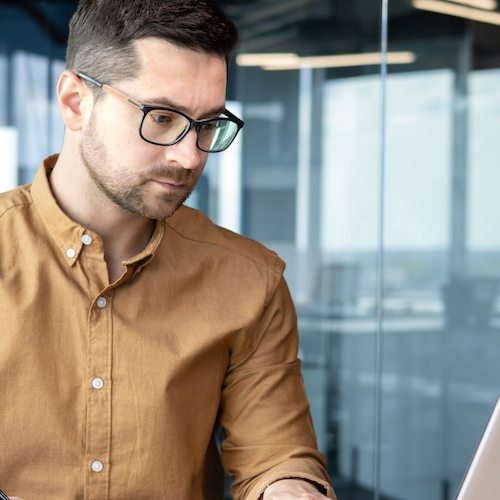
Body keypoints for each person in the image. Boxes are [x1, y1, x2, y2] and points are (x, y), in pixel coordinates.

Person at [0, 0, 337, 498]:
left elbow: (276, 457)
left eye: (207, 124)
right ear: (75, 102)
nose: (189, 156)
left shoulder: (249, 281)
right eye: (161, 117)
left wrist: (291, 490)